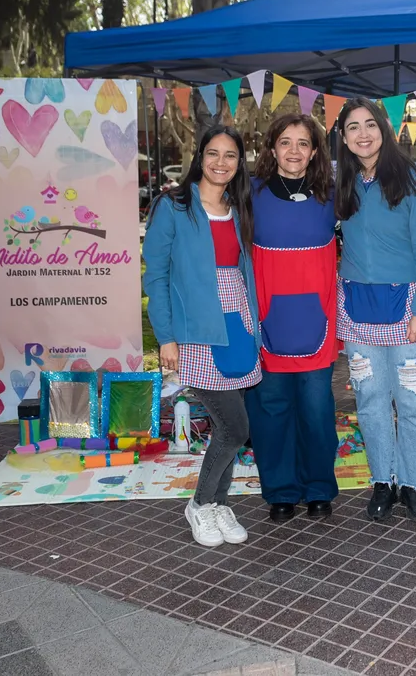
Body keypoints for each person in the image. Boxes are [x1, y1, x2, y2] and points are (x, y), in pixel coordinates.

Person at [143, 125, 260, 547]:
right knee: (234, 426)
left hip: (239, 324)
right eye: (213, 153)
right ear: (200, 156)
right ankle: (199, 503)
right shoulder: (173, 205)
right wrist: (166, 337)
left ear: (239, 162)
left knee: (229, 426)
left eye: (231, 155)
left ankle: (217, 505)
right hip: (197, 330)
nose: (221, 162)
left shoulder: (238, 205)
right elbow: (155, 276)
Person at [335, 97, 416, 522]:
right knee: (370, 400)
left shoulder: (413, 176)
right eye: (352, 128)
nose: (363, 134)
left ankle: (415, 482)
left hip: (409, 308)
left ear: (384, 128)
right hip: (358, 308)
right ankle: (383, 479)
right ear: (343, 138)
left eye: (370, 125)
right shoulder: (342, 180)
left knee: (414, 399)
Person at [244, 114, 340, 523]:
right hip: (268, 318)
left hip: (316, 319)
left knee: (317, 411)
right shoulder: (250, 193)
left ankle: (318, 487)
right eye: (286, 142)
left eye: (303, 143)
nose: (294, 151)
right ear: (272, 148)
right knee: (270, 409)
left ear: (315, 151)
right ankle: (280, 490)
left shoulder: (332, 194)